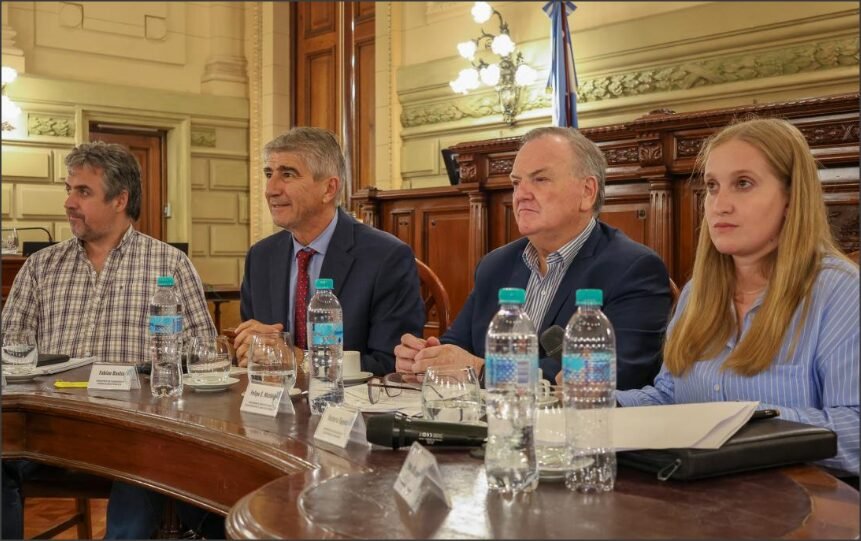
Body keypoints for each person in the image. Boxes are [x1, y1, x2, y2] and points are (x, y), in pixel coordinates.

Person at [615, 118, 859, 478]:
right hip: (696, 500)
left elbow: (854, 431)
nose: (719, 204)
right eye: (713, 187)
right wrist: (600, 403)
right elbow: (669, 398)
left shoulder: (840, 291)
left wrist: (739, 419)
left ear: (791, 199)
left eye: (743, 184)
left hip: (803, 508)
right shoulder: (697, 291)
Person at [1, 141, 221, 540]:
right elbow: (9, 349)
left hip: (131, 433)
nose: (69, 202)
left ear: (120, 199)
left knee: (146, 471)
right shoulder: (40, 266)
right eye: (68, 189)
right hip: (48, 431)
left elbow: (202, 357)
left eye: (82, 192)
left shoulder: (168, 265)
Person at [396, 126, 672, 389]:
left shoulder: (633, 268)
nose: (521, 195)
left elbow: (618, 373)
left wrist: (481, 371)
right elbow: (457, 346)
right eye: (516, 183)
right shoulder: (496, 265)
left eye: (540, 179)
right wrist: (427, 359)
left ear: (587, 192)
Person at [235, 127, 425, 376]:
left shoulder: (386, 257)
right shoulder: (261, 257)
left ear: (329, 189)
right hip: (273, 404)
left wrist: (301, 360)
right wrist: (249, 348)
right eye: (269, 174)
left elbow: (391, 364)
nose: (271, 189)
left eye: (288, 174)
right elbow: (253, 351)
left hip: (350, 408)